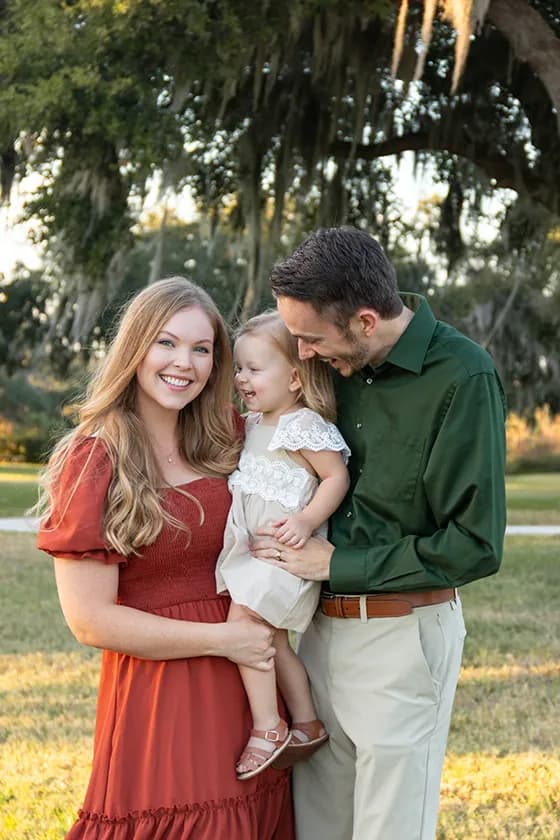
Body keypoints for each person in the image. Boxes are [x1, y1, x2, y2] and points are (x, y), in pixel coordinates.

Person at [251, 227, 507, 840]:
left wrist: (335, 565)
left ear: (366, 321)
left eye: (312, 339)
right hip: (316, 635)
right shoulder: (328, 365)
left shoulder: (462, 376)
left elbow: (475, 544)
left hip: (402, 637)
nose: (302, 353)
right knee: (318, 827)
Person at [36, 278, 294, 839]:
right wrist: (225, 640)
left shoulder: (228, 437)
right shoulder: (94, 458)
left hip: (250, 686)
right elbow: (90, 620)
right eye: (167, 343)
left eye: (202, 349)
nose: (184, 363)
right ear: (135, 347)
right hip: (162, 698)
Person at [215, 311, 350, 780]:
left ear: (295, 378)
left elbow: (336, 477)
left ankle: (268, 727)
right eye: (239, 368)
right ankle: (307, 723)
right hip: (257, 555)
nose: (242, 378)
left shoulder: (301, 425)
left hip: (286, 555)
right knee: (273, 640)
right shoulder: (253, 423)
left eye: (255, 369)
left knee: (241, 625)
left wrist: (306, 520)